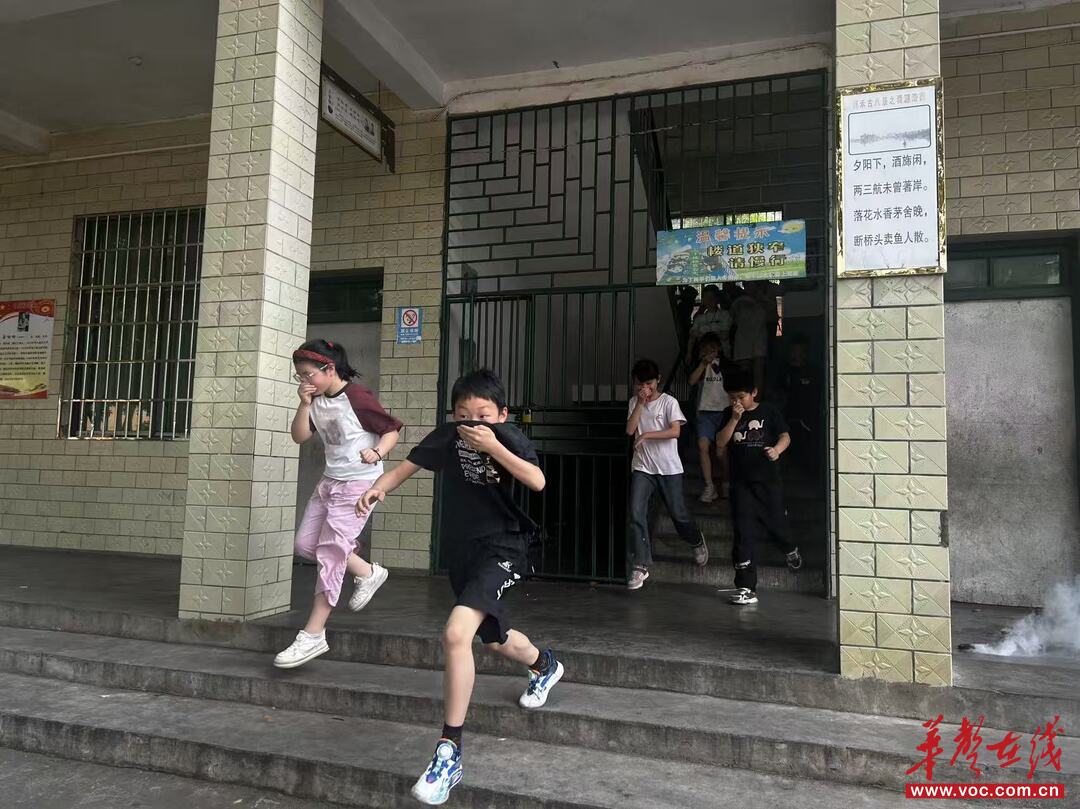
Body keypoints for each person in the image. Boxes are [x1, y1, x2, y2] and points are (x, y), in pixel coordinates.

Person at [357, 369, 563, 806]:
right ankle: (544, 665)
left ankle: (449, 752)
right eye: (464, 414)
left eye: (483, 415)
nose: (473, 422)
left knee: (456, 633)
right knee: (494, 638)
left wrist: (493, 446)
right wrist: (377, 489)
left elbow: (538, 481)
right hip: (464, 552)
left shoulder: (509, 438)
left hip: (504, 547)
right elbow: (407, 467)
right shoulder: (448, 437)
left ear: (502, 414)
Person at [273, 339, 402, 669]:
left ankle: (314, 633)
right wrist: (303, 404)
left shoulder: (357, 397)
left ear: (329, 369)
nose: (304, 381)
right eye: (299, 376)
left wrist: (378, 452)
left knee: (331, 552)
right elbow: (299, 436)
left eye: (308, 374)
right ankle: (367, 572)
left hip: (359, 484)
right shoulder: (315, 400)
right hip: (330, 481)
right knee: (306, 545)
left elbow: (391, 429)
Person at [716, 369, 802, 606]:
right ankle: (746, 587)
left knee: (775, 524)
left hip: (767, 481)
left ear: (753, 392)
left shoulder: (769, 411)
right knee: (743, 533)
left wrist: (776, 450)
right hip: (741, 483)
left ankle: (789, 547)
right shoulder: (728, 414)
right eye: (732, 397)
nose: (736, 402)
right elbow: (720, 443)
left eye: (741, 397)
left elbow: (786, 436)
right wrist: (734, 419)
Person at [625, 358, 709, 590]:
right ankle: (641, 564)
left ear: (658, 380)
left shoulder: (668, 402)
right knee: (636, 512)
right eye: (640, 384)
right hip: (643, 467)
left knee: (678, 514)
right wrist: (640, 404)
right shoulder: (634, 402)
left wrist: (647, 435)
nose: (645, 389)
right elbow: (630, 430)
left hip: (669, 468)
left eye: (649, 384)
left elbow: (675, 431)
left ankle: (695, 539)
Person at [688, 332, 728, 503]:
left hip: (724, 412)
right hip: (705, 412)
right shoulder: (701, 366)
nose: (709, 352)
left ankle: (726, 480)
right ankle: (709, 486)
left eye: (712, 348)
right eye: (705, 349)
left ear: (718, 348)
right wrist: (703, 363)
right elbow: (691, 381)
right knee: (703, 446)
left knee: (721, 451)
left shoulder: (726, 364)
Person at [730, 282, 771, 394]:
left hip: (759, 334)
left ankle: (758, 397)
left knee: (759, 367)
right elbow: (732, 317)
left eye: (752, 284)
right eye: (747, 285)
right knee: (745, 369)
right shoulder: (739, 300)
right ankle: (744, 395)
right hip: (743, 336)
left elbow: (772, 314)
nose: (749, 287)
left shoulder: (765, 300)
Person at [685, 284, 732, 367]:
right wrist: (689, 354)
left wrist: (704, 336)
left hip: (722, 357)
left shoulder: (725, 315)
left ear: (717, 298)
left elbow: (724, 335)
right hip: (704, 359)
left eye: (712, 297)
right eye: (706, 297)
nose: (709, 300)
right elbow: (692, 337)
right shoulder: (699, 318)